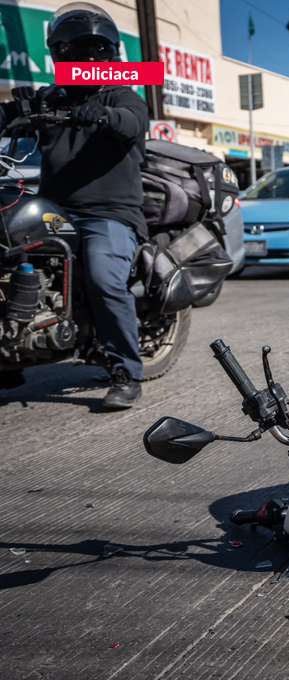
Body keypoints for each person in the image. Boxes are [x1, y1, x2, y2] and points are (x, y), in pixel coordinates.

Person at [0, 3, 148, 409]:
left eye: (94, 50)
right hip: (53, 207)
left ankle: (126, 371)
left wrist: (101, 116)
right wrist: (14, 113)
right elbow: (11, 116)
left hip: (109, 212)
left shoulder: (124, 96)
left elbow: (131, 124)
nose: (87, 58)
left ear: (109, 54)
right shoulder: (51, 97)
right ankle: (11, 352)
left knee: (103, 276)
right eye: (76, 49)